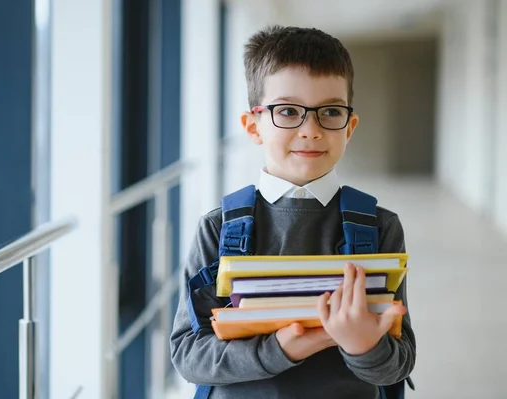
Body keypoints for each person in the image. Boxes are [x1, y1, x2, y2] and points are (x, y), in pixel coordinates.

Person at [170, 25, 416, 399]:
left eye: (330, 111)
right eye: (288, 111)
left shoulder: (379, 227)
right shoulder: (220, 228)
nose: (311, 130)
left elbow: (400, 361)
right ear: (253, 126)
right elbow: (188, 354)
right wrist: (283, 348)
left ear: (349, 127)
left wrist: (364, 345)